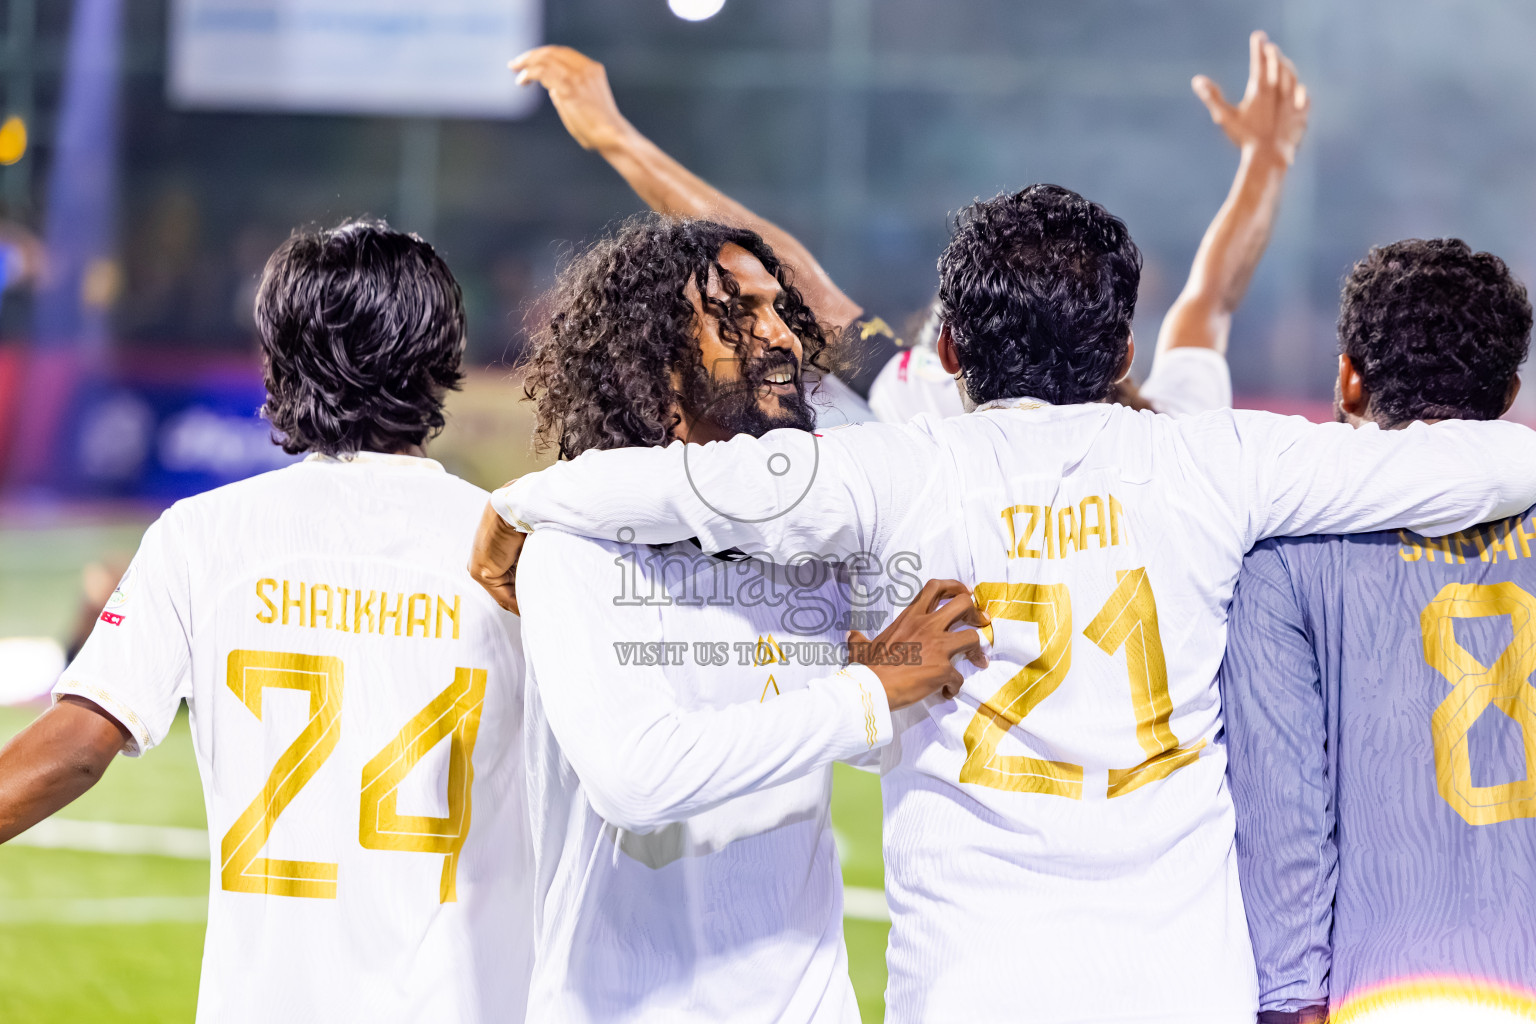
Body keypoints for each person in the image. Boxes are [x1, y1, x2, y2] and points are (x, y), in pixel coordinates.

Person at [477, 185, 1536, 1023]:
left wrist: (530, 496)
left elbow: (699, 486)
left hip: (975, 985)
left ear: (952, 354)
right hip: (1182, 984)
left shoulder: (894, 470)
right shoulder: (1223, 457)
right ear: (1125, 353)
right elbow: (1479, 462)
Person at [0, 221, 533, 1024]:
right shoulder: (515, 545)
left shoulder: (205, 534)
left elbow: (76, 746)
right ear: (442, 357)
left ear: (278, 357)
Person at [467, 214, 985, 1023]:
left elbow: (838, 749)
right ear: (654, 347)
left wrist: (892, 697)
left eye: (781, 310)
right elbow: (638, 778)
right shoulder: (576, 550)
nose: (780, 335)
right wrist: (865, 692)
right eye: (739, 314)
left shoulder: (809, 545)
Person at [510, 32, 1308, 425]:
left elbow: (786, 267)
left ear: (953, 349)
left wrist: (620, 138)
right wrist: (1267, 163)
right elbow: (1213, 299)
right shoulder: (1183, 437)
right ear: (1122, 349)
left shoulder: (924, 419)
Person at [1219, 238, 1536, 1022]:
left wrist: (1291, 1000)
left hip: (1383, 989)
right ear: (1509, 394)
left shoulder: (1282, 555)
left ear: (1348, 378)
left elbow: (1285, 820)